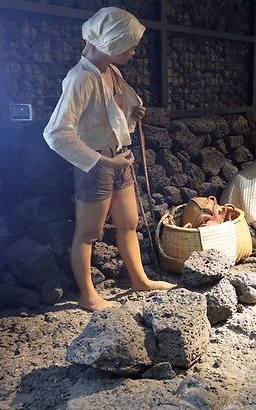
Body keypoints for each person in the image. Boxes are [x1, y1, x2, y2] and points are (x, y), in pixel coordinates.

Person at [43, 7, 174, 311]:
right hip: (97, 161)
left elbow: (112, 112)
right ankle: (88, 295)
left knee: (129, 222)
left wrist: (132, 112)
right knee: (88, 233)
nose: (133, 51)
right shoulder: (80, 79)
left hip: (118, 157)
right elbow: (57, 133)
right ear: (111, 42)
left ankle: (139, 279)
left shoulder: (110, 71)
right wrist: (104, 162)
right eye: (129, 44)